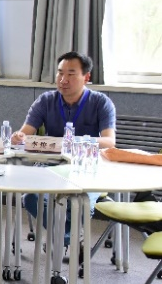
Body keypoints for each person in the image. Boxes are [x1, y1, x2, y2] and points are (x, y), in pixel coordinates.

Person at [11, 51, 117, 248]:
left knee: (81, 203)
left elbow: (109, 141)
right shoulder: (45, 100)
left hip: (87, 168)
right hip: (51, 166)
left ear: (86, 77)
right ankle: (66, 236)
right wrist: (19, 137)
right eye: (60, 73)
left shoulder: (101, 102)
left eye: (71, 74)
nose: (63, 79)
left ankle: (62, 237)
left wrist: (76, 141)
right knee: (31, 198)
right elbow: (25, 133)